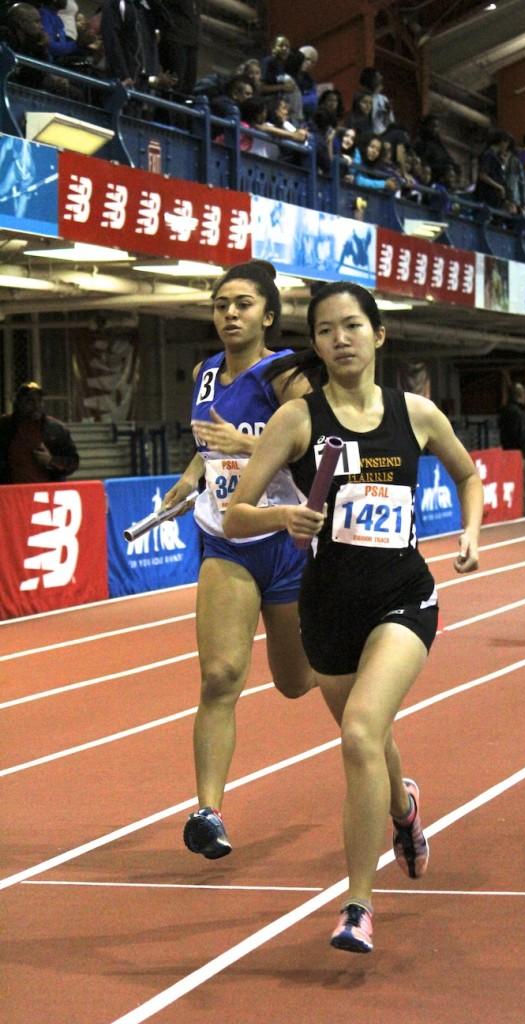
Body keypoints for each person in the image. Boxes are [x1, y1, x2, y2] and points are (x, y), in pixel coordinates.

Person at [223, 281, 483, 953]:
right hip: (329, 605)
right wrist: (284, 515)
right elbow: (235, 512)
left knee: (362, 732)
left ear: (378, 336)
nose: (340, 339)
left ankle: (358, 906)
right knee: (370, 741)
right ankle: (404, 811)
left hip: (402, 596)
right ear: (313, 345)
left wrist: (470, 534)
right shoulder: (298, 420)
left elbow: (467, 474)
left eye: (352, 326)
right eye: (326, 331)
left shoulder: (417, 414)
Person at [161, 260, 315, 860]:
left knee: (296, 682)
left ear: (267, 316)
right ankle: (208, 811)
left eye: (243, 304)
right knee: (221, 676)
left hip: (286, 539)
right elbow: (209, 441)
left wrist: (249, 445)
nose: (230, 313)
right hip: (226, 537)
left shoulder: (285, 374)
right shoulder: (203, 374)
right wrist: (191, 474)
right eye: (221, 303)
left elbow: (319, 442)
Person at [0, 381, 79, 484]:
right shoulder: (4, 426)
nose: (36, 405)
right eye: (30, 401)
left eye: (39, 400)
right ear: (18, 403)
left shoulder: (56, 429)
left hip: (44, 494)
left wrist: (51, 461)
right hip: (12, 495)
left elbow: (73, 463)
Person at [498, 382, 525, 515]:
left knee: (510, 486)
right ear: (520, 395)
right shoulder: (519, 413)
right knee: (523, 488)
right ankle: (524, 516)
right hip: (521, 456)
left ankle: (512, 513)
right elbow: (522, 435)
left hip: (507, 454)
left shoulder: (504, 412)